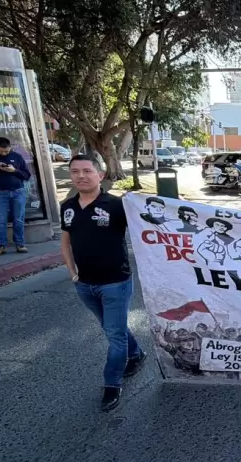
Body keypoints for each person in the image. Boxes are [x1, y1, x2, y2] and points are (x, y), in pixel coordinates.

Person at [59, 155, 146, 412]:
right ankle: (136, 353)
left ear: (100, 175)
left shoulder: (117, 205)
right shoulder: (68, 206)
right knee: (112, 328)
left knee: (114, 335)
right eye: (75, 171)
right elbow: (65, 242)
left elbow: (146, 229)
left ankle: (112, 383)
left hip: (115, 283)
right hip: (84, 284)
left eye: (87, 171)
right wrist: (72, 273)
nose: (81, 176)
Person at [0, 137, 32, 256]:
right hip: (0, 192)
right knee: (0, 220)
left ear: (10, 147)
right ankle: (0, 246)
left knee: (18, 219)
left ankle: (20, 244)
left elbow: (27, 175)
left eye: (6, 151)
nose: (4, 154)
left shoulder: (17, 156)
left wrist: (14, 171)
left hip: (18, 191)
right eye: (1, 151)